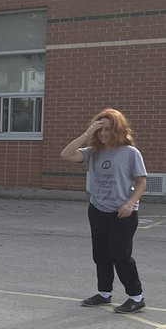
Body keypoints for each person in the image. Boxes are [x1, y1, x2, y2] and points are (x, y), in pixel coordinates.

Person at [60, 109, 147, 313]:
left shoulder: (130, 152)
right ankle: (104, 293)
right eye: (100, 130)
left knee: (120, 255)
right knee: (101, 254)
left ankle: (136, 296)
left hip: (123, 212)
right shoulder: (93, 151)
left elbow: (141, 181)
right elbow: (66, 155)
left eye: (107, 129)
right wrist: (86, 134)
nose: (103, 134)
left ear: (117, 129)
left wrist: (130, 203)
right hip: (98, 209)